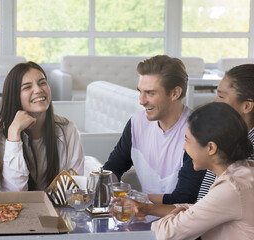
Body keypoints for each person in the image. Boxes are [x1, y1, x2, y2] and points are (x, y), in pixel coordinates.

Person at [114, 102, 254, 240]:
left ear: (211, 148)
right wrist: (148, 209)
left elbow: (169, 232)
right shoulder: (242, 172)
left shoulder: (231, 188)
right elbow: (200, 210)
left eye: (187, 140)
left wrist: (181, 217)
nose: (184, 148)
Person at [103, 55, 205, 199]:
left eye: (150, 93)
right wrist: (104, 186)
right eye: (140, 91)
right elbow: (114, 167)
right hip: (142, 216)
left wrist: (133, 200)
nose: (142, 101)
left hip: (180, 219)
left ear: (175, 93)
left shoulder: (197, 132)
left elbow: (184, 199)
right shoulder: (136, 123)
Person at [0, 61, 84, 191]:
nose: (38, 90)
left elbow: (74, 188)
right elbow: (14, 193)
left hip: (57, 208)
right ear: (15, 95)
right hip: (15, 208)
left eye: (42, 83)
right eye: (27, 87)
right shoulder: (2, 134)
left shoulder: (67, 129)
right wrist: (14, 135)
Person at [196, 64, 254, 201]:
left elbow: (208, 209)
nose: (214, 102)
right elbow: (203, 203)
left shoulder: (242, 150)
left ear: (246, 106)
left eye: (221, 97)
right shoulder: (230, 138)